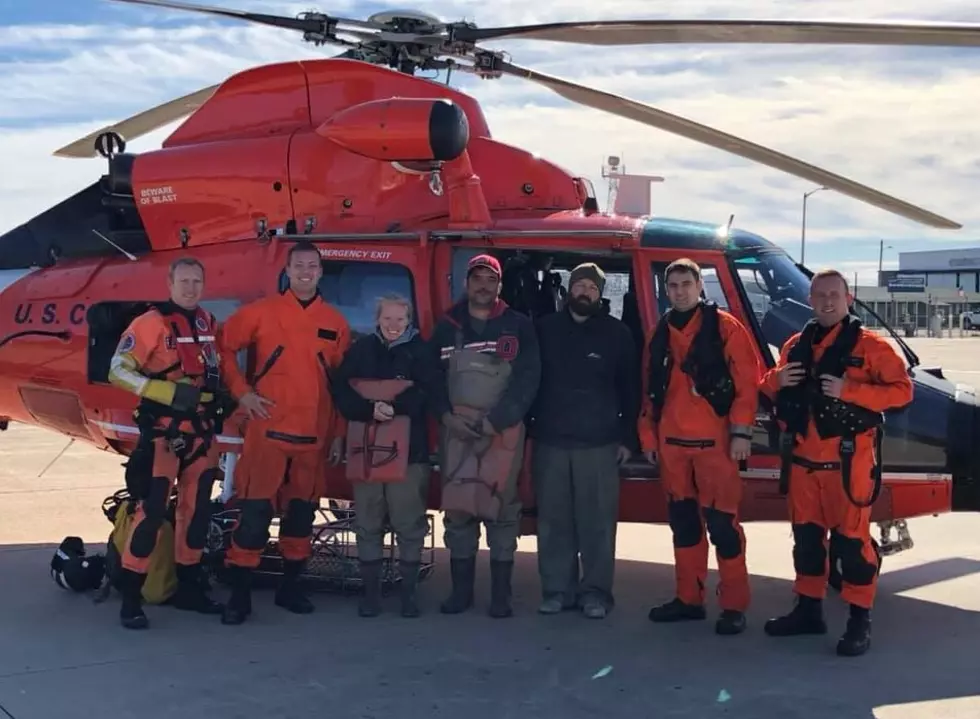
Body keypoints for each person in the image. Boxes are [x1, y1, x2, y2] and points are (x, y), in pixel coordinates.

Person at [760, 269, 913, 657]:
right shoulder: (795, 345)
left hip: (847, 465)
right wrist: (776, 380)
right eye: (819, 295)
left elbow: (902, 392)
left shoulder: (871, 347)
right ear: (810, 300)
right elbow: (765, 387)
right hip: (803, 464)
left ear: (848, 298)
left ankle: (860, 620)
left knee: (851, 547)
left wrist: (851, 390)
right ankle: (809, 611)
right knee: (807, 543)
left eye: (834, 294)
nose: (827, 301)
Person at [216, 240, 350, 625]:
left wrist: (337, 432)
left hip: (313, 438)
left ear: (321, 272)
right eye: (299, 266)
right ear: (288, 271)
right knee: (255, 515)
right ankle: (240, 595)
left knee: (301, 517)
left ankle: (290, 589)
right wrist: (243, 395)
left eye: (312, 266)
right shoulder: (260, 313)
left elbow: (339, 385)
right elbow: (223, 349)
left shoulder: (336, 323)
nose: (306, 272)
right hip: (267, 433)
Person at [637, 258, 760, 635]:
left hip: (715, 447)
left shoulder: (725, 329)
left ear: (700, 286)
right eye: (672, 286)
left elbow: (747, 383)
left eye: (686, 284)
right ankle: (688, 599)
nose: (679, 291)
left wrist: (741, 432)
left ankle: (734, 605)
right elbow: (648, 391)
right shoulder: (660, 332)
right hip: (673, 447)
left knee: (723, 527)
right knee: (684, 526)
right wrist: (648, 436)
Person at [107, 257, 229, 629]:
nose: (190, 288)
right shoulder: (149, 323)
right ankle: (132, 597)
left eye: (196, 281)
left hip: (202, 434)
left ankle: (189, 588)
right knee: (151, 514)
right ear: (170, 283)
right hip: (164, 435)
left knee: (196, 513)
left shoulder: (208, 322)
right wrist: (161, 391)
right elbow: (117, 370)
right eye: (184, 281)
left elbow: (215, 367)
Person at [427, 253, 541, 618]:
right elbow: (429, 377)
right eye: (477, 278)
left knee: (502, 510)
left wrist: (498, 421)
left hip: (502, 432)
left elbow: (528, 380)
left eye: (490, 280)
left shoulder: (518, 326)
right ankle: (461, 593)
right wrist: (446, 417)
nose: (483, 285)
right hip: (456, 432)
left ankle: (501, 596)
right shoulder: (447, 325)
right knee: (459, 509)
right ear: (467, 283)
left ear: (499, 285)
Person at [528, 262, 639, 619]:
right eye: (580, 285)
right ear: (569, 289)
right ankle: (557, 590)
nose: (585, 292)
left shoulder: (618, 334)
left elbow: (630, 391)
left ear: (601, 293)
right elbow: (527, 381)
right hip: (551, 441)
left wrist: (627, 438)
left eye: (593, 287)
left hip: (600, 443)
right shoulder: (543, 330)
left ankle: (596, 593)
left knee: (598, 524)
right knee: (553, 522)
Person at [330, 293, 439, 618]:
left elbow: (430, 391)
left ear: (410, 321)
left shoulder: (422, 351)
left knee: (409, 525)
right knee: (368, 523)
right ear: (377, 319)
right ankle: (371, 596)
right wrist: (368, 409)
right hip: (366, 452)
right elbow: (340, 389)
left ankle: (408, 596)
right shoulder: (360, 350)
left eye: (400, 319)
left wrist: (394, 407)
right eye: (387, 318)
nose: (393, 325)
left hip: (410, 455)